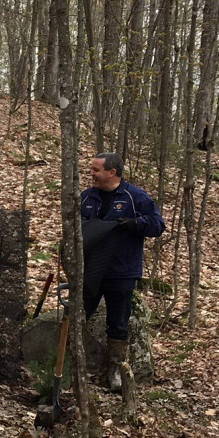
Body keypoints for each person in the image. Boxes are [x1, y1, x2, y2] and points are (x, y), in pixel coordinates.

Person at [80, 152, 165, 390]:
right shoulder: (87, 197)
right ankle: (71, 364)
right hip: (90, 271)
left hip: (122, 271)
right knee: (77, 316)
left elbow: (158, 225)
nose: (92, 174)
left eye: (96, 170)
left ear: (112, 172)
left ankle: (116, 370)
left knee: (118, 323)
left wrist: (135, 224)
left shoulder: (135, 197)